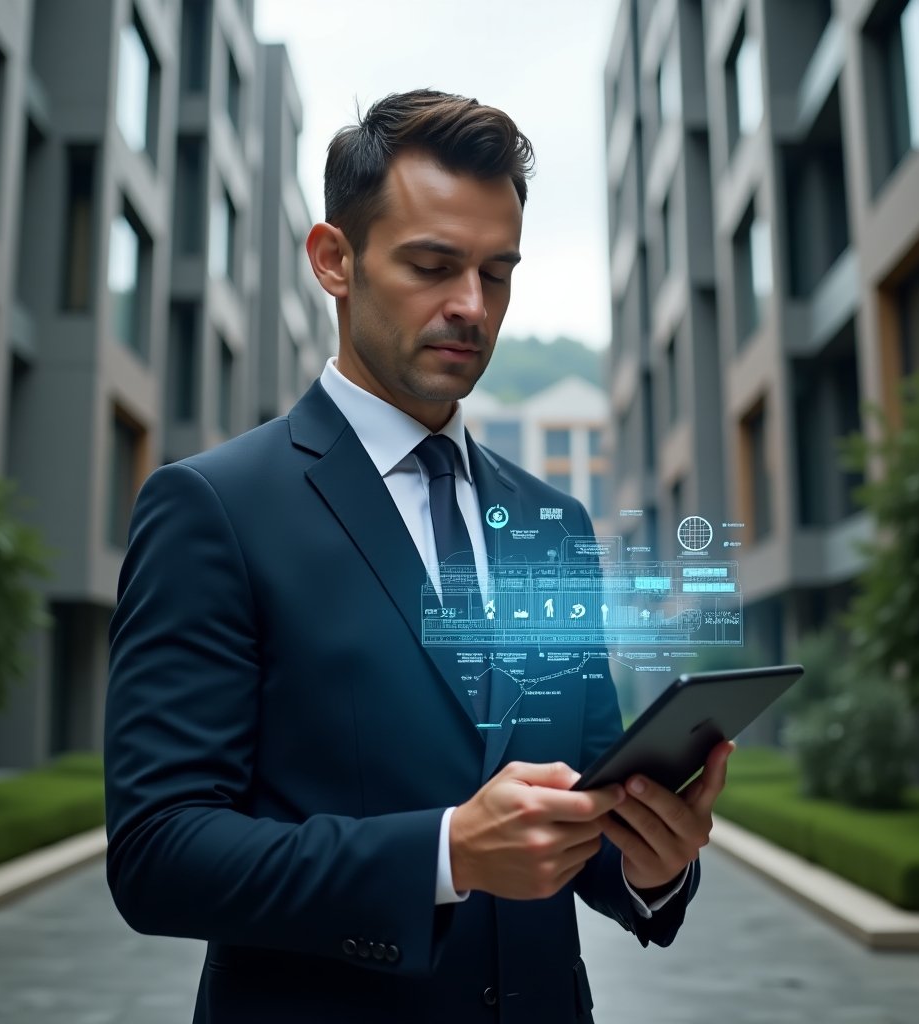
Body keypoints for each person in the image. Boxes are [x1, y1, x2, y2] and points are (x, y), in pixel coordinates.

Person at [105, 89, 732, 1024]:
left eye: (498, 272)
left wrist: (653, 862)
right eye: (433, 265)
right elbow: (159, 853)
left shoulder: (553, 522)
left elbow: (585, 798)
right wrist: (443, 854)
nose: (471, 307)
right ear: (334, 261)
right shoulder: (214, 508)